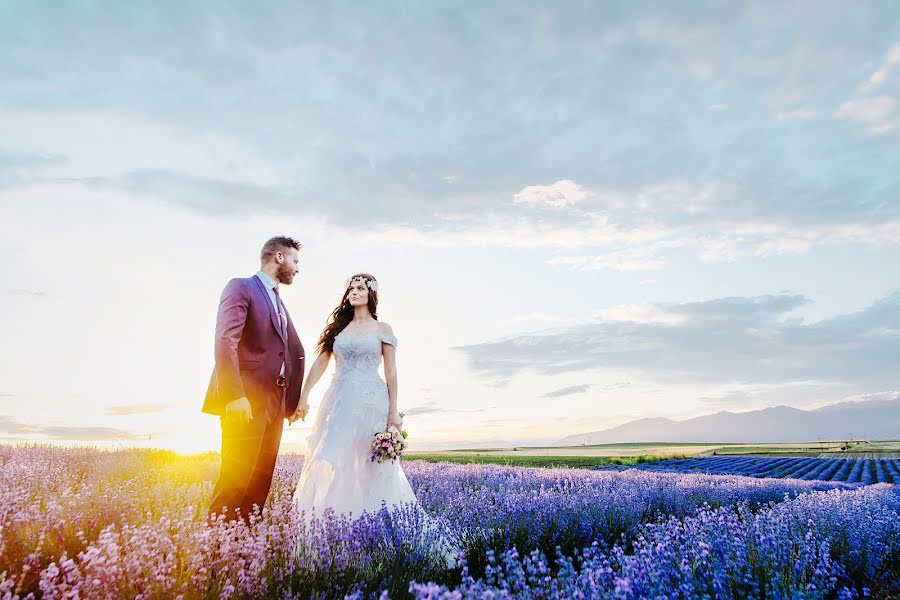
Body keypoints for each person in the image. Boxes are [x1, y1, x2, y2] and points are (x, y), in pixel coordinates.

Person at [290, 273, 417, 517]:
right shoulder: (339, 329)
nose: (354, 292)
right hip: (339, 401)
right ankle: (332, 521)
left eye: (360, 288)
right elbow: (320, 363)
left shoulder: (382, 328)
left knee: (372, 465)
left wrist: (393, 411)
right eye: (351, 289)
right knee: (331, 457)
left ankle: (374, 524)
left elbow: (391, 371)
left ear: (371, 294)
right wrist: (304, 395)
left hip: (372, 401)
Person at [203, 236, 306, 522]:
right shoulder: (242, 287)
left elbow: (288, 352)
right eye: (295, 261)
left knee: (260, 482)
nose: (298, 269)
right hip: (245, 400)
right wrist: (234, 395)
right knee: (235, 480)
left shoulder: (278, 301)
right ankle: (217, 556)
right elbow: (226, 340)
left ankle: (244, 552)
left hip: (275, 403)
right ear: (279, 258)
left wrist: (293, 401)